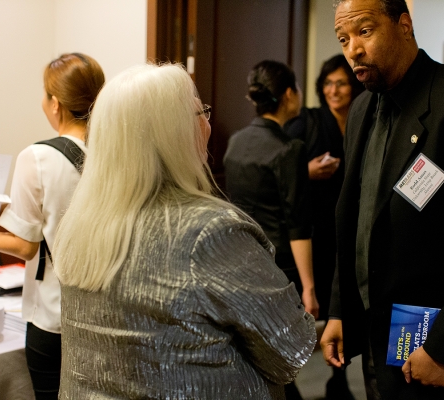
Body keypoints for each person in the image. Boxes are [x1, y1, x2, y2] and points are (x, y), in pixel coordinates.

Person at [52, 63, 316, 399]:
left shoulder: (79, 226)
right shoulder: (210, 232)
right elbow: (291, 348)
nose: (207, 122)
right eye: (199, 112)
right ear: (173, 133)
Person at [320, 0, 444, 399]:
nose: (353, 50)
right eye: (343, 38)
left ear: (404, 25)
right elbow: (356, 221)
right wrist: (340, 309)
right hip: (377, 339)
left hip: (435, 349)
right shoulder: (361, 109)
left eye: (365, 31)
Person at [0, 53, 104, 399]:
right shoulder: (113, 152)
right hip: (105, 310)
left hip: (54, 313)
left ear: (56, 104)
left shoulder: (37, 157)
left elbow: (26, 246)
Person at [223, 60, 319, 399]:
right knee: (280, 359)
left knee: (256, 354)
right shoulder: (289, 150)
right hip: (277, 265)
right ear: (289, 94)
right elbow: (297, 224)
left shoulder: (235, 142)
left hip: (237, 258)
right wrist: (308, 287)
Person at [285, 54, 363, 400]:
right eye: (328, 83)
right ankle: (290, 382)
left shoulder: (366, 120)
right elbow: (280, 165)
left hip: (348, 230)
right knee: (305, 306)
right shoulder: (310, 121)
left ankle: (340, 377)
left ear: (354, 85)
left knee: (342, 308)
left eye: (341, 82)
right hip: (313, 230)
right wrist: (307, 171)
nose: (333, 90)